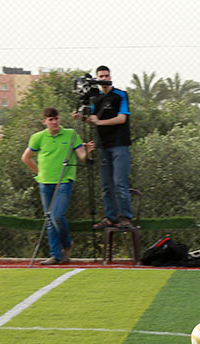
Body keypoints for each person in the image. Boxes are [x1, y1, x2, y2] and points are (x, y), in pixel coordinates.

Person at [21, 107, 94, 265]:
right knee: (49, 219)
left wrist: (87, 152)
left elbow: (82, 156)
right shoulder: (38, 137)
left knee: (57, 216)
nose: (54, 122)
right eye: (51, 119)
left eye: (56, 119)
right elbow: (26, 158)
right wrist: (39, 173)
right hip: (45, 183)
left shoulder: (71, 134)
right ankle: (56, 255)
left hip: (64, 181)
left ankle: (67, 244)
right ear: (45, 121)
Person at [85, 65, 134, 230]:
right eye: (101, 76)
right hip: (102, 146)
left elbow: (122, 118)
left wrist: (100, 122)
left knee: (120, 183)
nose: (104, 79)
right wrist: (82, 118)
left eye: (106, 76)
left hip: (119, 145)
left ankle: (126, 217)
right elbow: (93, 121)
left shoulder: (120, 95)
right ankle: (110, 217)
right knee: (106, 185)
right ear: (97, 78)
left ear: (110, 77)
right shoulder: (96, 99)